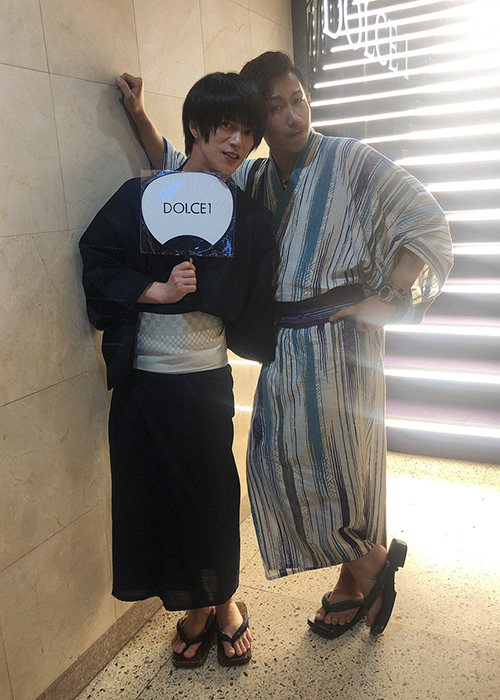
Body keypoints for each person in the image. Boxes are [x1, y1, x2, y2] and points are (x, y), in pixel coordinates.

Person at [116, 52, 453, 639]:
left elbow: (423, 217)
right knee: (303, 467)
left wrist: (391, 298)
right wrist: (140, 116)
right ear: (257, 122)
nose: (293, 115)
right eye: (275, 108)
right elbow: (183, 173)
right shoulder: (251, 178)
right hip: (285, 344)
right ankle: (355, 583)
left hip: (340, 342)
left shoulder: (349, 159)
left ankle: (370, 568)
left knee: (330, 468)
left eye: (298, 100)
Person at [80, 72, 278, 667]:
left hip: (205, 379)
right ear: (196, 127)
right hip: (141, 381)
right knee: (158, 497)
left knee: (212, 496)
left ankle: (224, 603)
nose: (238, 142)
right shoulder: (144, 196)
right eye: (226, 127)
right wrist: (156, 291)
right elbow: (97, 258)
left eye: (247, 132)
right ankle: (198, 608)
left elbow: (258, 296)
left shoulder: (247, 215)